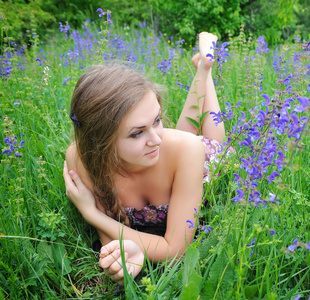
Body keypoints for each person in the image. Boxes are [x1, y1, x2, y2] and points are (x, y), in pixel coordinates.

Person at [63, 32, 225, 286]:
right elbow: (113, 244)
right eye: (137, 133)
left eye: (157, 120)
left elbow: (177, 249)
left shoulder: (187, 150)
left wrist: (90, 212)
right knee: (177, 140)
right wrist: (131, 251)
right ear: (101, 142)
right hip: (176, 157)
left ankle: (205, 70)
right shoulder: (82, 158)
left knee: (210, 141)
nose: (157, 138)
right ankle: (202, 68)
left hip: (195, 159)